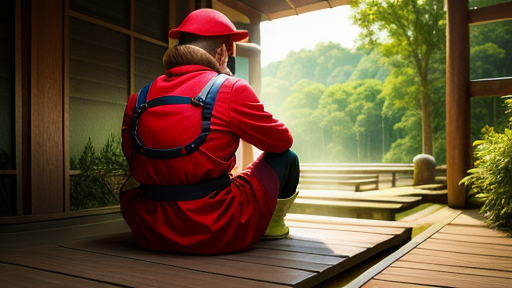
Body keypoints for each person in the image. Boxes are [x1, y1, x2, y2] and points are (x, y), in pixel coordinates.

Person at [120, 8, 299, 255]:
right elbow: (281, 141)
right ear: (221, 52)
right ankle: (271, 227)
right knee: (287, 157)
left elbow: (132, 158)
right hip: (217, 228)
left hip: (150, 231)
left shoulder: (138, 97)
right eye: (231, 50)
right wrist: (226, 80)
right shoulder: (230, 88)